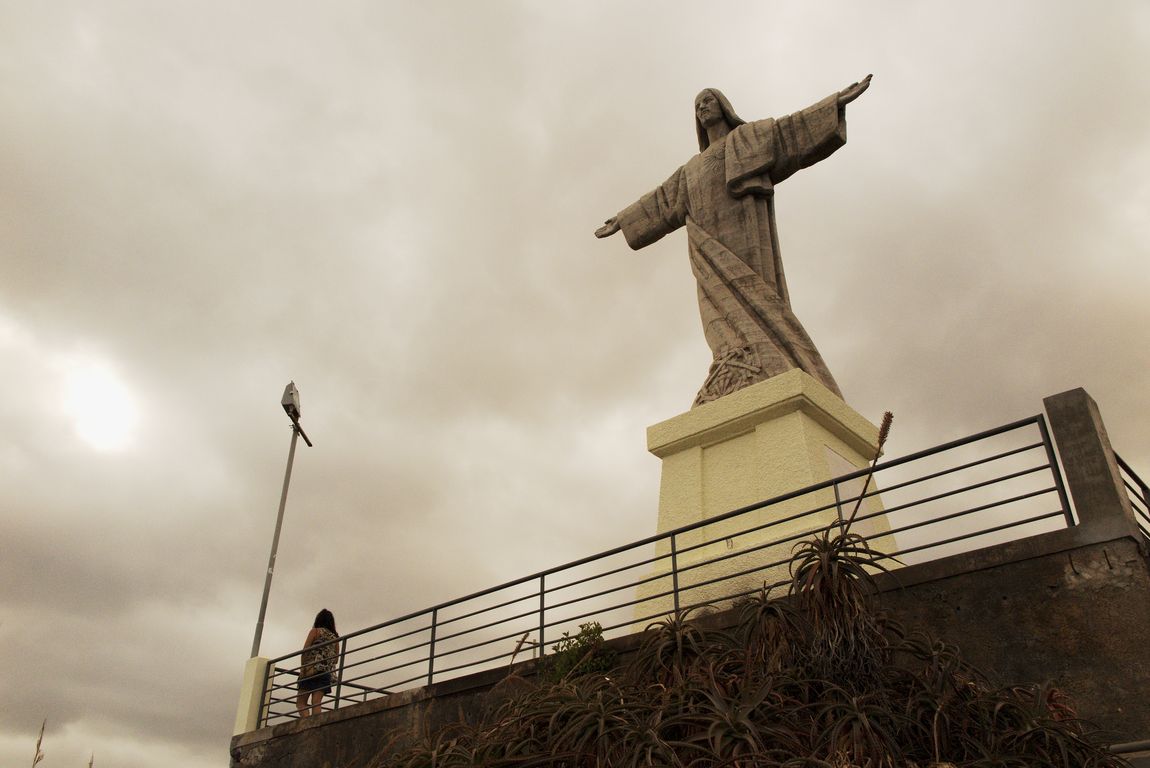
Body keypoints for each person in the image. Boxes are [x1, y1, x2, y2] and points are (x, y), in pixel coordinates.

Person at [595, 76, 871, 406]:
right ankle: (732, 360)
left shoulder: (749, 138)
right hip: (707, 251)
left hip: (746, 238)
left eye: (708, 101)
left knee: (759, 296)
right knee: (719, 314)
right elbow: (659, 201)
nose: (702, 108)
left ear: (723, 106)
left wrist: (833, 104)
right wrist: (623, 219)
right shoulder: (690, 170)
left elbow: (789, 131)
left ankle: (768, 360)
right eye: (697, 106)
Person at [296, 609, 339, 717]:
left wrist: (303, 668)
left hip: (311, 670)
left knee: (301, 703)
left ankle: (307, 722)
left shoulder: (315, 632)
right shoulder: (335, 638)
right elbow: (336, 660)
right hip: (325, 673)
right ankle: (315, 725)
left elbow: (305, 650)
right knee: (316, 703)